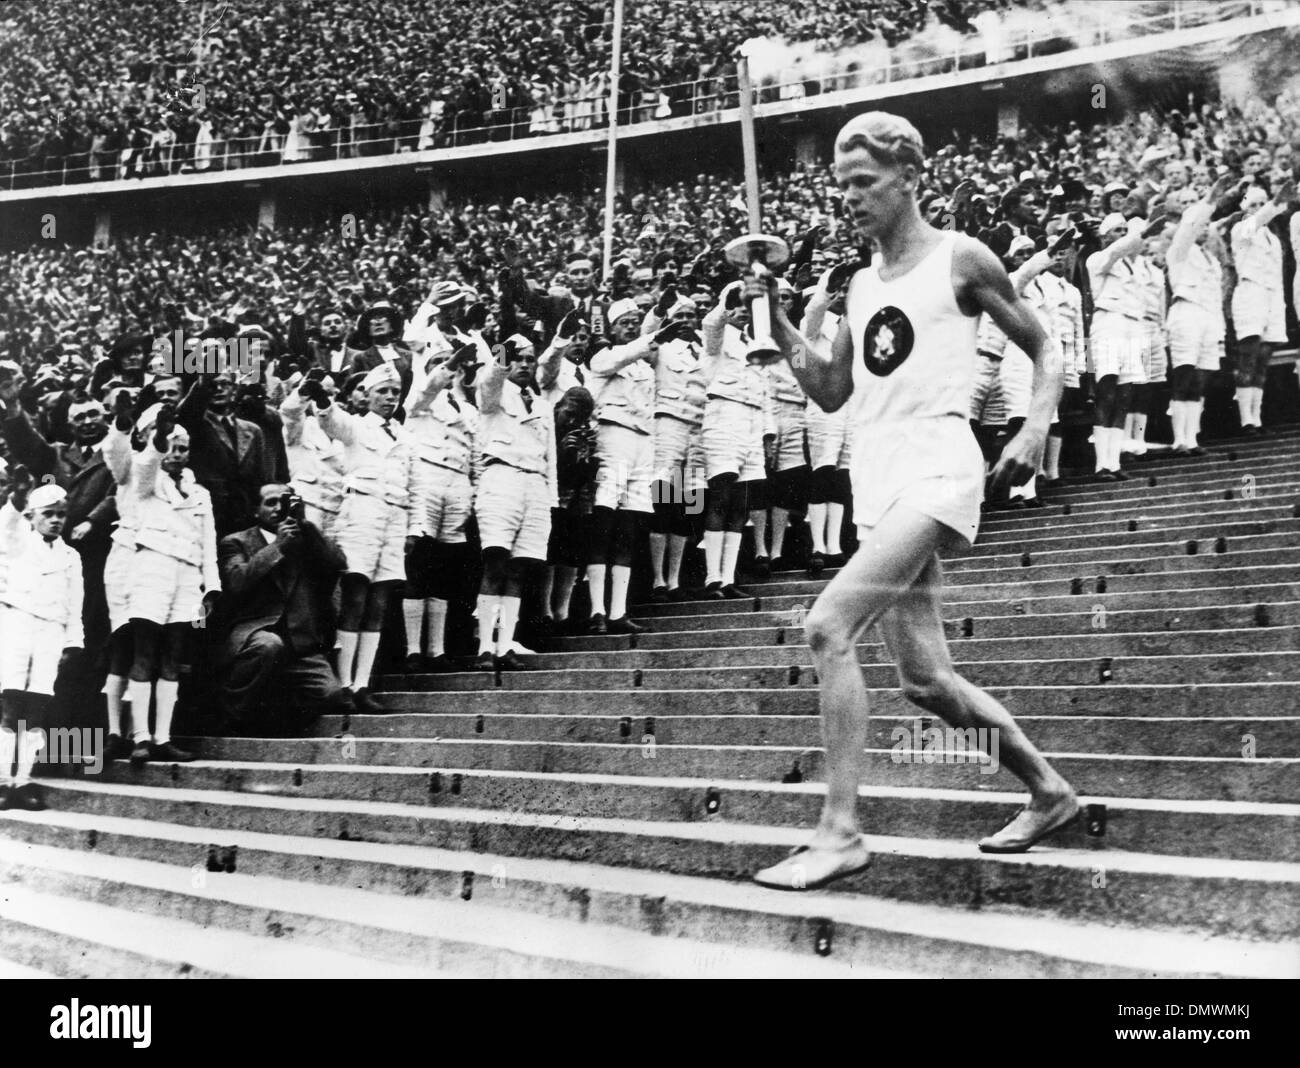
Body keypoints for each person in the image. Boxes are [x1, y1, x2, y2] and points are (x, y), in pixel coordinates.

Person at [747, 112, 1078, 890]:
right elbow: (830, 390)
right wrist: (778, 315)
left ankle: (840, 831)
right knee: (924, 681)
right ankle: (1050, 792)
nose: (850, 198)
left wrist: (1033, 425)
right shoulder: (861, 284)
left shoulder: (962, 258)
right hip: (877, 468)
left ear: (910, 177)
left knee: (829, 623)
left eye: (864, 182)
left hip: (939, 461)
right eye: (842, 186)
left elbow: (1044, 346)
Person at [301, 362, 416, 712]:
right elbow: (332, 420)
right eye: (382, 391)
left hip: (395, 518)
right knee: (355, 598)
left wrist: (414, 528)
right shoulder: (356, 427)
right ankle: (344, 684)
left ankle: (364, 684)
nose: (389, 398)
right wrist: (321, 398)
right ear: (367, 395)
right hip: (362, 513)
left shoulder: (404, 434)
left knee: (379, 604)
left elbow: (416, 483)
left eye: (394, 392)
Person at [214, 483, 353, 734]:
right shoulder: (236, 542)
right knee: (268, 645)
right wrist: (277, 546)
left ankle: (273, 716)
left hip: (299, 644)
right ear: (256, 511)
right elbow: (237, 581)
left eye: (285, 501)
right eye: (270, 502)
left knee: (331, 695)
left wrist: (309, 528)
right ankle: (231, 715)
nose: (278, 508)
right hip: (256, 636)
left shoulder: (306, 539)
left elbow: (339, 564)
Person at [124, 405, 219, 766]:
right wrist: (158, 440)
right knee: (144, 653)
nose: (177, 455)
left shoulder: (200, 493)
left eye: (183, 449)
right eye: (172, 448)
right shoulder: (146, 481)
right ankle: (140, 737)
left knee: (173, 657)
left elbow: (208, 543)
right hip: (152, 570)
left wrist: (211, 588)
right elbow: (147, 463)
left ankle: (163, 737)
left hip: (188, 579)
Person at [472, 335, 556, 670]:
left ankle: (506, 644)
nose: (524, 365)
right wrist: (502, 352)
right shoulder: (494, 393)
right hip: (501, 478)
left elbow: (550, 459)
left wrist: (550, 500)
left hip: (534, 483)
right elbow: (492, 377)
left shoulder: (543, 404)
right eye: (518, 359)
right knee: (496, 562)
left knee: (520, 569)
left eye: (530, 359)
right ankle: (485, 647)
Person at [0, 475, 83, 811]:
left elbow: (74, 601)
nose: (55, 520)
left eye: (61, 514)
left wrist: (71, 641)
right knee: (10, 708)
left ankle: (25, 780)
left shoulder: (71, 556)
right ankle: (4, 782)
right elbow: (8, 527)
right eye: (47, 513)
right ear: (31, 517)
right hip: (16, 628)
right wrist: (17, 501)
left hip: (50, 634)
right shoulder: (16, 542)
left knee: (36, 709)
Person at [400, 343, 479, 671]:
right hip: (426, 480)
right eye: (436, 363)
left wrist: (473, 494)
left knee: (445, 567)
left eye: (449, 365)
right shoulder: (417, 401)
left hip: (457, 485)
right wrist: (448, 362)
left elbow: (476, 455)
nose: (445, 369)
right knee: (420, 560)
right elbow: (430, 386)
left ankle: (436, 649)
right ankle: (412, 650)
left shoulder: (468, 410)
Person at [1229, 179, 1292, 434]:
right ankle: (1246, 419)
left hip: (1272, 297)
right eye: (1252, 204)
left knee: (1264, 358)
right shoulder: (1240, 230)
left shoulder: (1273, 238)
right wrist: (1276, 203)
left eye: (1261, 203)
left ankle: (1257, 417)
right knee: (1249, 356)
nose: (1257, 208)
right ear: (1244, 207)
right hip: (1250, 294)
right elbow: (1257, 221)